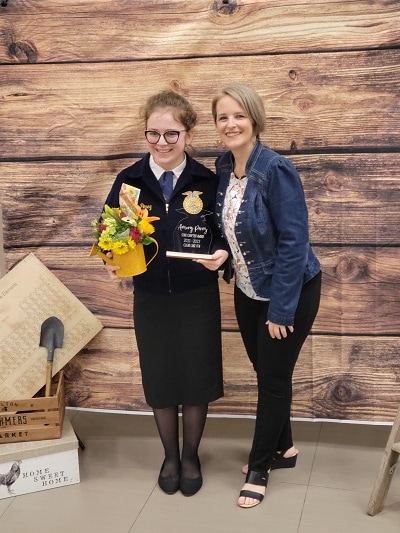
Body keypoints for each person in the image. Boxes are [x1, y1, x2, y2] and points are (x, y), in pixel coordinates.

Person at [102, 90, 229, 497]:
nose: (161, 142)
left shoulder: (208, 182)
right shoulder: (129, 182)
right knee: (159, 375)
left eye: (171, 134)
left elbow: (226, 238)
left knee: (196, 375)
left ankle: (190, 456)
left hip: (197, 296)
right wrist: (110, 254)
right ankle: (169, 456)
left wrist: (221, 256)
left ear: (189, 134)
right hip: (151, 296)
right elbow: (109, 233)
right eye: (152, 134)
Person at [211, 83, 321, 508]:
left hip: (288, 291)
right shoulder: (224, 168)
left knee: (272, 381)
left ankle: (259, 468)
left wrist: (281, 309)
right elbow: (233, 231)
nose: (231, 123)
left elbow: (295, 242)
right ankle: (285, 448)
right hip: (246, 289)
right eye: (223, 116)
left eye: (239, 115)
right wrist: (222, 255)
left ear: (254, 119)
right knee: (269, 374)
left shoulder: (275, 169)